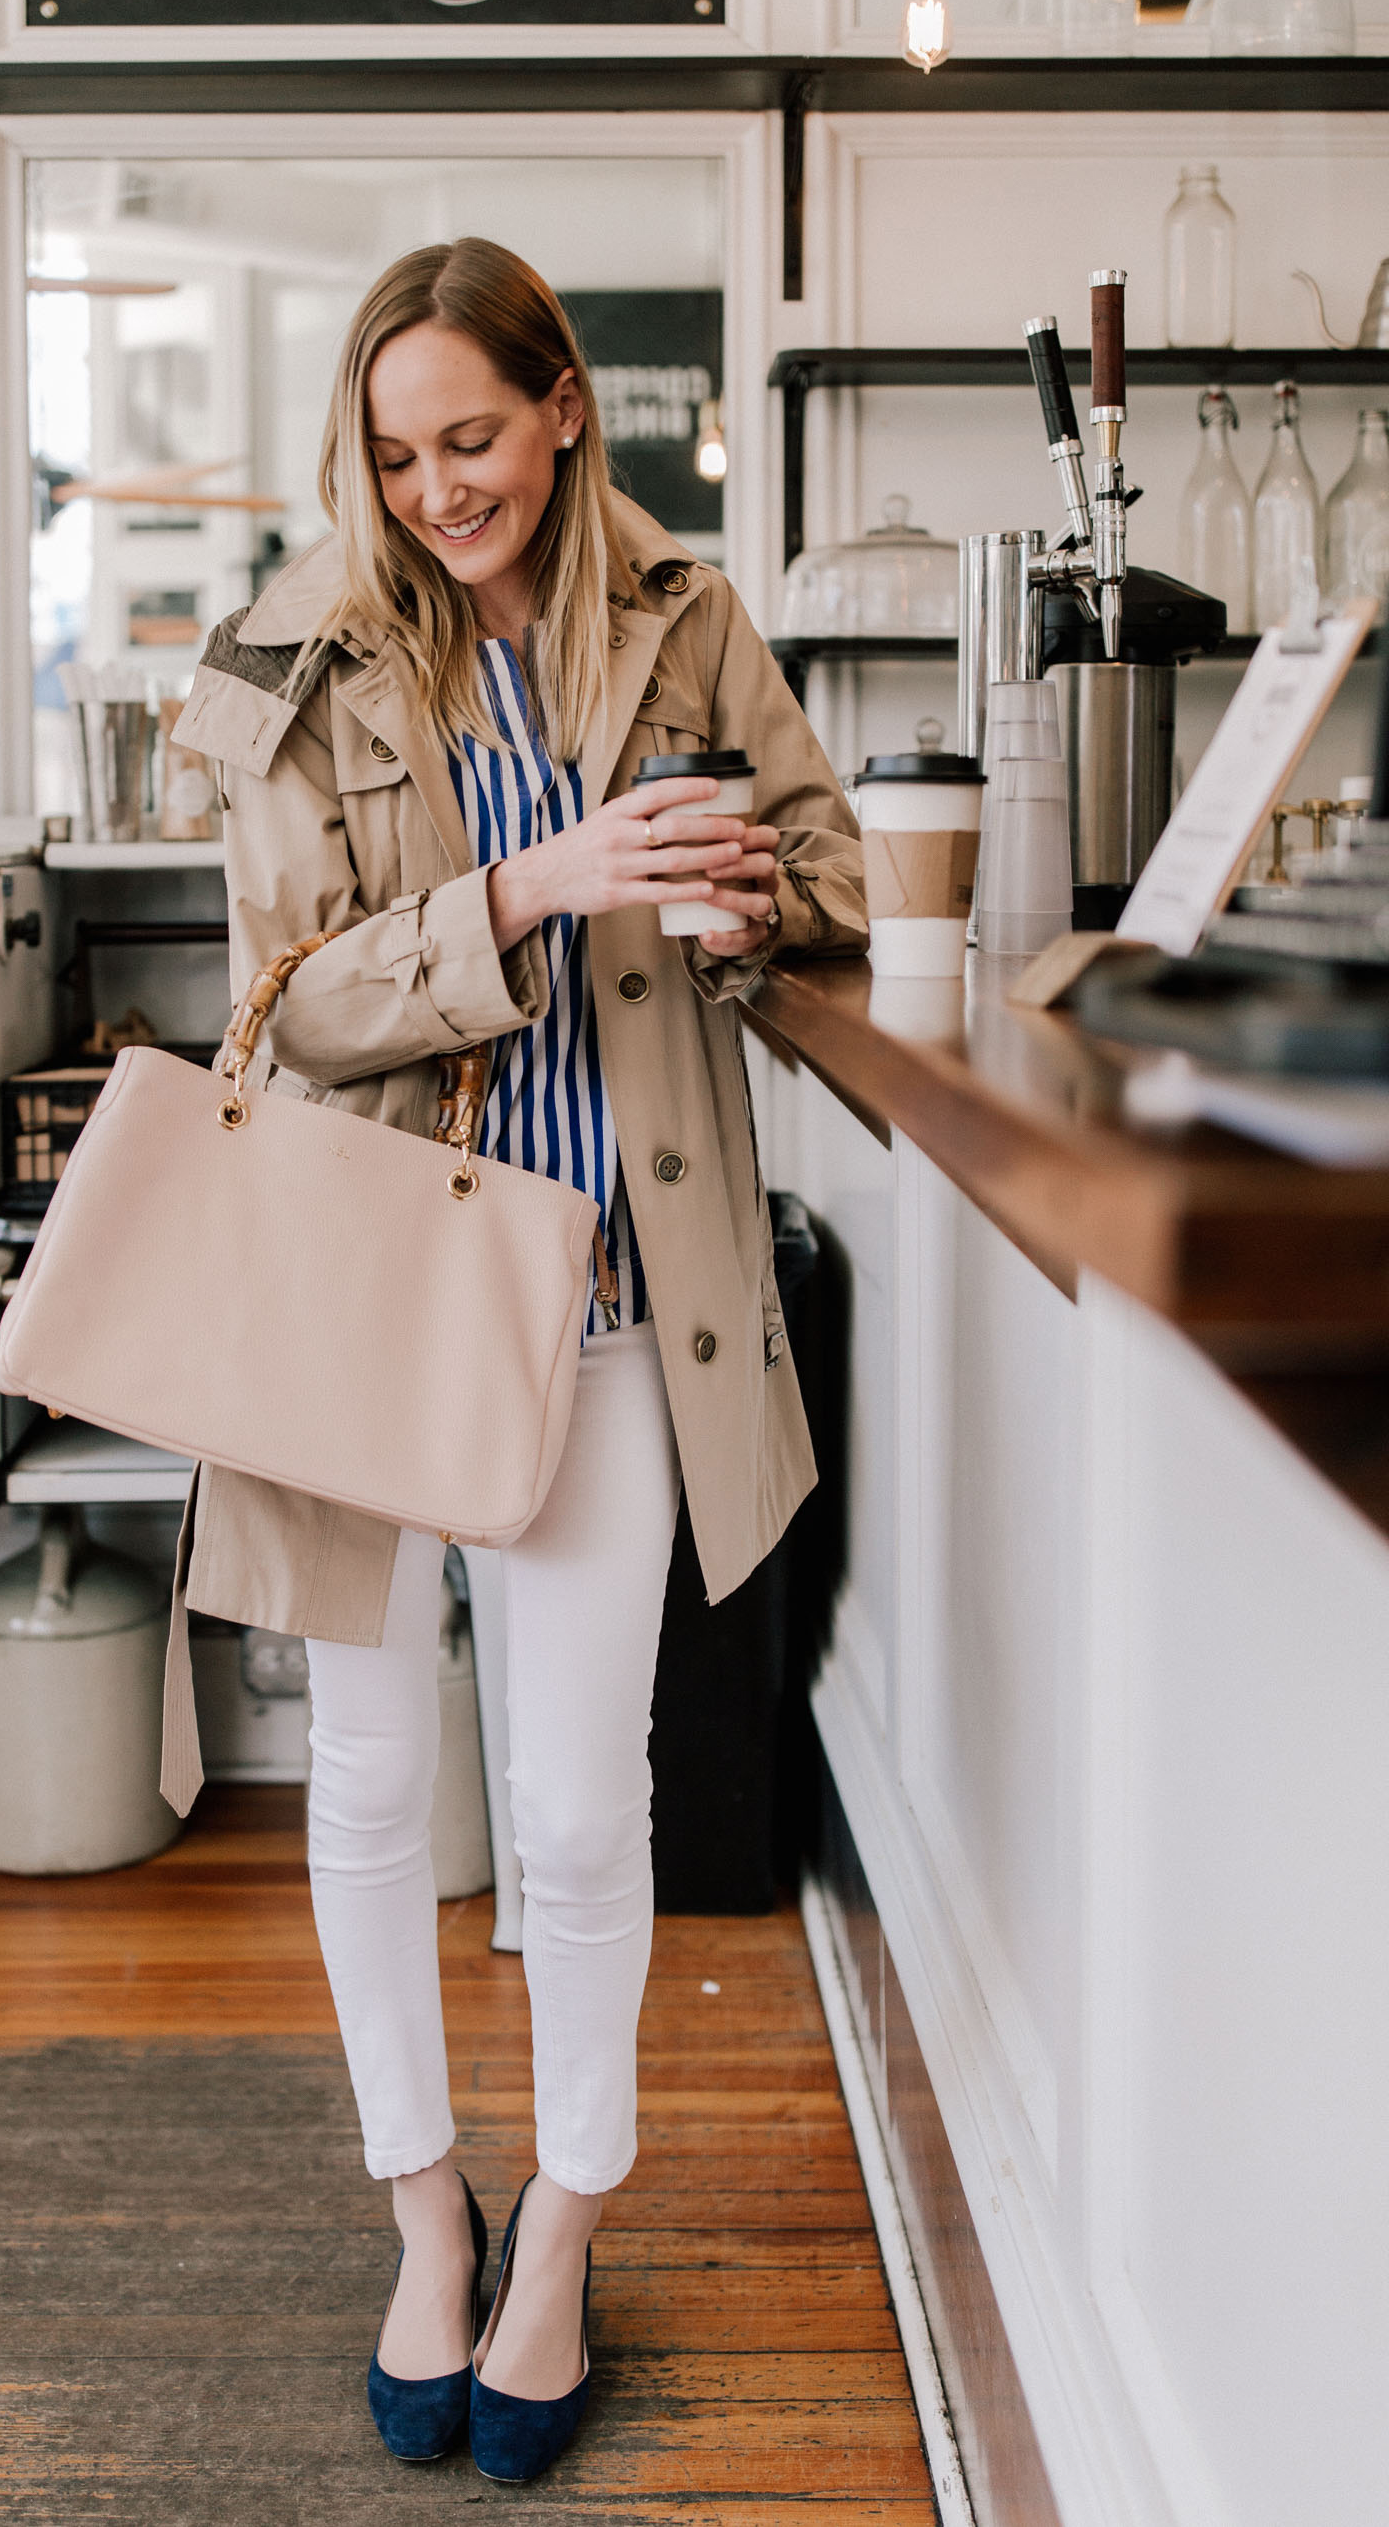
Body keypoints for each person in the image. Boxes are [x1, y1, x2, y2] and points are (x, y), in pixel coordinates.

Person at [168, 237, 867, 2481]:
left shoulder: (691, 623)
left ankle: (562, 2220)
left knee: (577, 1806)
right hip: (363, 1305)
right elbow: (281, 1003)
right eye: (393, 450)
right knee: (371, 1791)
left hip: (612, 1305)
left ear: (568, 406)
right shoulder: (288, 653)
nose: (435, 485)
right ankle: (422, 2224)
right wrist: (536, 888)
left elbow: (832, 876)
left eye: (470, 434)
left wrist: (753, 909)